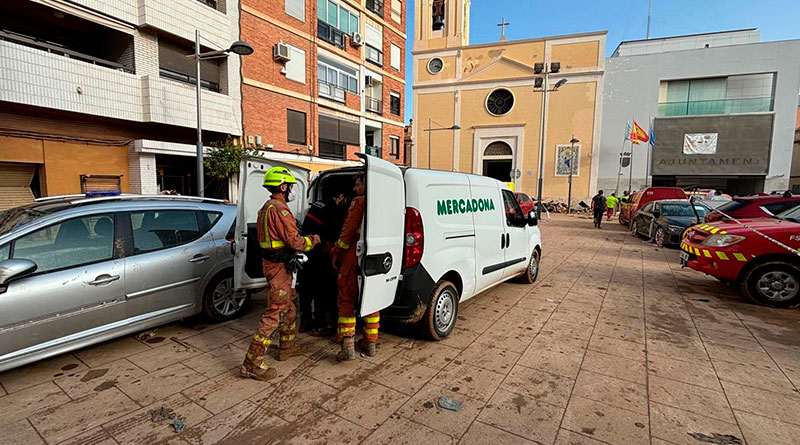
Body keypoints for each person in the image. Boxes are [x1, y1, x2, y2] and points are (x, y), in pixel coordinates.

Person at [241, 167, 321, 381]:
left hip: (276, 265)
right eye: (291, 187)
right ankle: (252, 363)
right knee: (273, 314)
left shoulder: (265, 208)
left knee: (290, 308)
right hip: (279, 269)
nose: (293, 191)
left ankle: (287, 347)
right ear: (283, 187)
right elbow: (295, 242)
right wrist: (313, 240)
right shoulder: (280, 210)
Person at [331, 174, 380, 361]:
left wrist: (337, 251)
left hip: (354, 255)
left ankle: (348, 345)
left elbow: (348, 231)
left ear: (366, 184)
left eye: (357, 184)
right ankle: (371, 342)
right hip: (376, 256)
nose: (354, 188)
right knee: (373, 299)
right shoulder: (385, 202)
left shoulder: (359, 201)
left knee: (346, 298)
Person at [297, 193, 349, 336]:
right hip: (320, 252)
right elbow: (337, 234)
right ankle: (319, 325)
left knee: (305, 288)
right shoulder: (334, 209)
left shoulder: (318, 203)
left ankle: (305, 321)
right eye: (345, 200)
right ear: (341, 196)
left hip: (306, 250)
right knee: (322, 289)